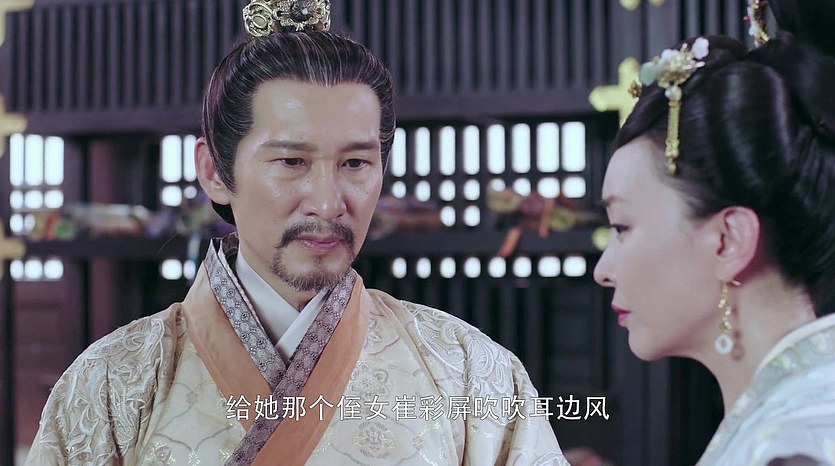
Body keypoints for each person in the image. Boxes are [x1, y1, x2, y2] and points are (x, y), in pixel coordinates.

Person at [25, 1, 568, 465]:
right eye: (291, 161)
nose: (329, 203)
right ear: (215, 171)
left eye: (355, 163)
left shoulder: (468, 371)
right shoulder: (112, 384)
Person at [593, 0, 835, 464]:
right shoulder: (794, 416)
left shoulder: (792, 447)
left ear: (729, 240)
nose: (603, 271)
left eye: (623, 227)